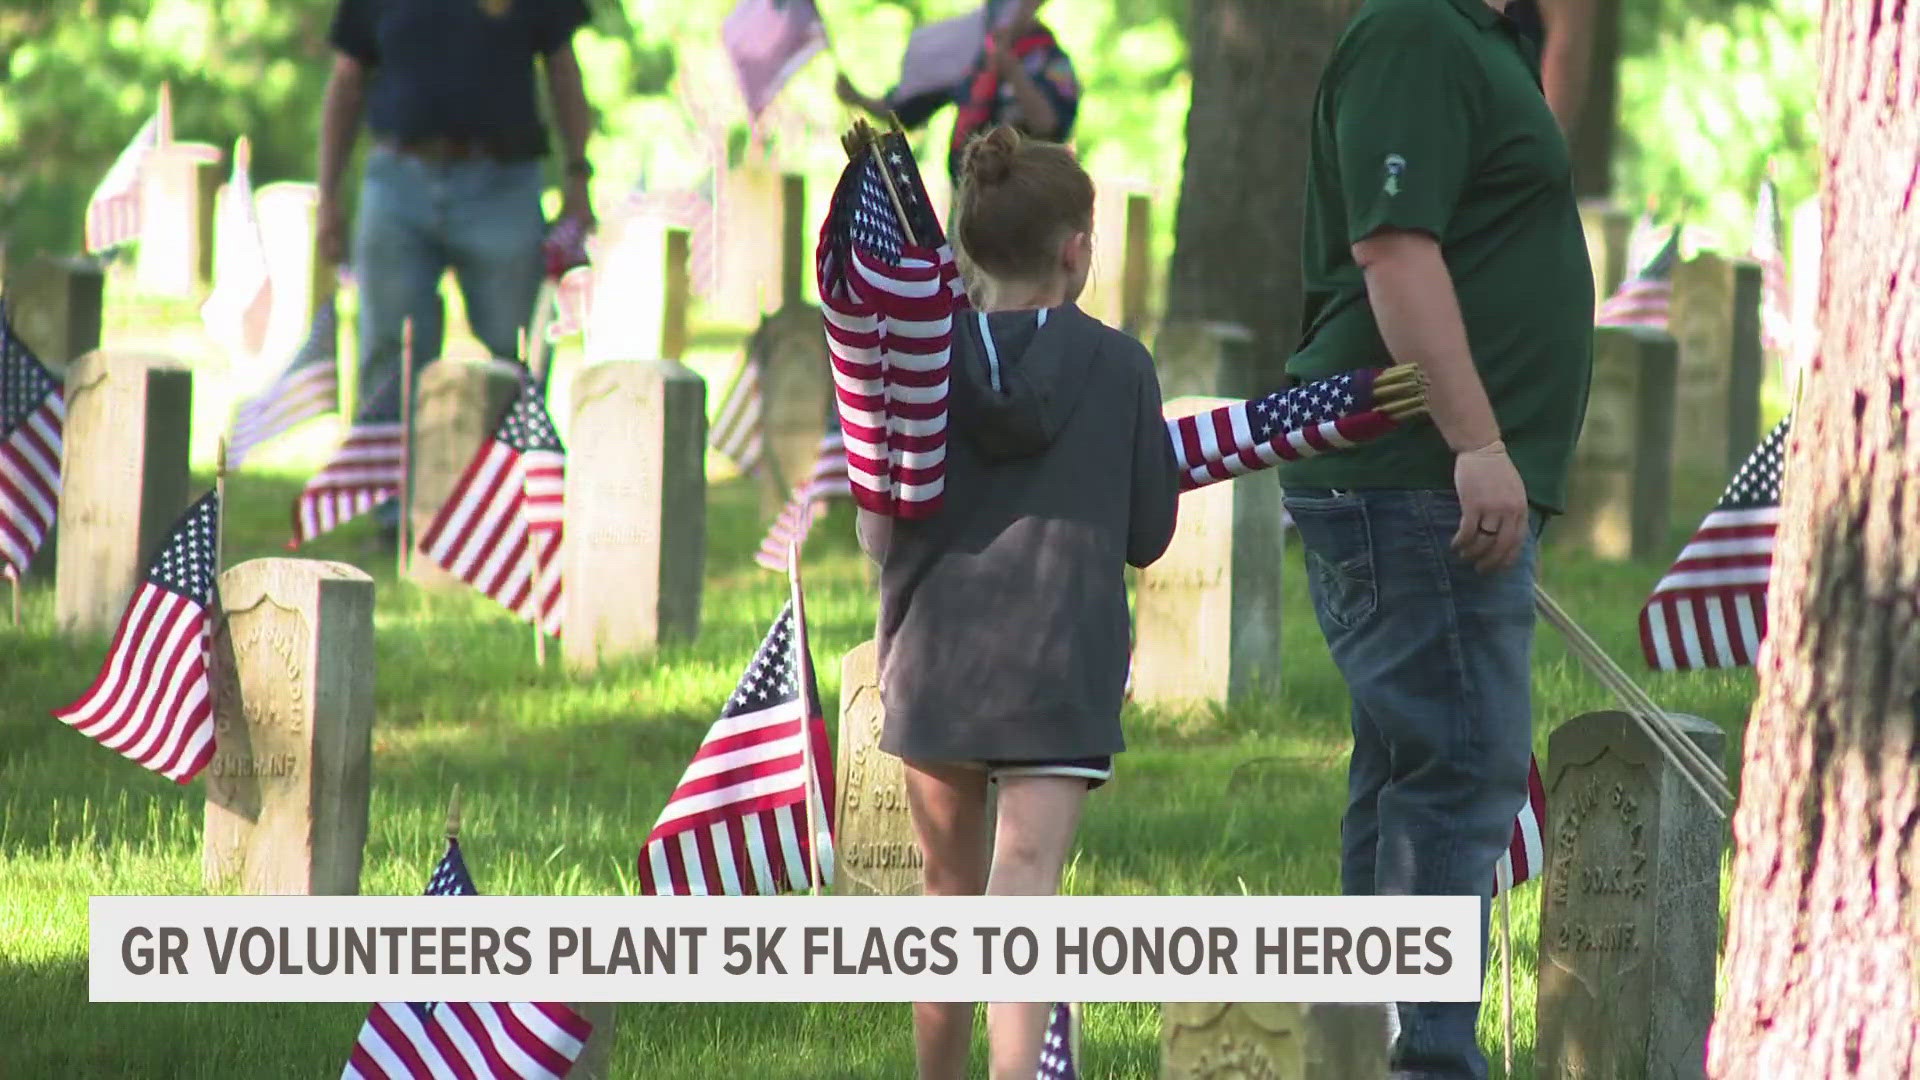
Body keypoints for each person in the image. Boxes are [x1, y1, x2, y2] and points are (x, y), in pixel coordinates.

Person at [1275, 1, 1593, 1077]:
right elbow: (1395, 251)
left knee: (1415, 779)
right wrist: (1478, 445)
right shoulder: (1416, 26)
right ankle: (1427, 1061)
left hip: (1426, 480)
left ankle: (1366, 1056)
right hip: (1420, 477)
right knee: (1459, 775)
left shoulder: (1484, 36)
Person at [855, 127, 1179, 1080]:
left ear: (961, 250)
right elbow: (1147, 534)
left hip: (936, 657)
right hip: (1059, 663)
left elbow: (879, 533)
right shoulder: (1122, 368)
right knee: (1024, 888)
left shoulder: (913, 363)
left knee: (946, 895)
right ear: (1076, 250)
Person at [316, 0, 597, 539]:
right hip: (397, 179)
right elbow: (347, 80)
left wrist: (578, 177)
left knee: (519, 353)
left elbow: (564, 69)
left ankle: (520, 507)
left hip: (504, 182)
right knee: (389, 353)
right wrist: (329, 195)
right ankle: (394, 517)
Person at [835, 0, 1081, 184]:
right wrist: (856, 97)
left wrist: (1012, 69)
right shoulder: (973, 57)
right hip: (970, 196)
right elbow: (905, 111)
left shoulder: (1050, 60)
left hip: (1018, 202)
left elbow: (1050, 125)